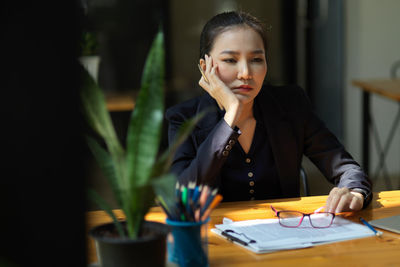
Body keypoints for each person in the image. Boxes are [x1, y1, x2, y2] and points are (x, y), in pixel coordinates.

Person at [166, 11, 372, 213]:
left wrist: (354, 193)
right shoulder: (184, 118)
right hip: (214, 240)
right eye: (230, 60)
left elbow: (346, 168)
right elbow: (181, 195)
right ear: (205, 67)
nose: (246, 73)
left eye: (256, 59)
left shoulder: (291, 104)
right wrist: (231, 116)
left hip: (284, 235)